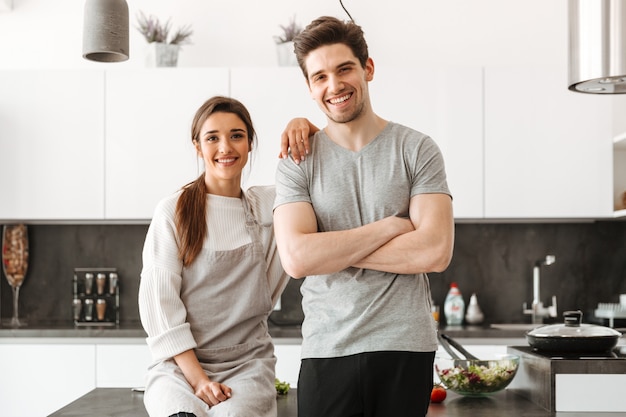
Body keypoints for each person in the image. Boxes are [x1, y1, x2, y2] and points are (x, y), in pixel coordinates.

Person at [273, 16, 455, 417]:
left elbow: (435, 251)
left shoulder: (417, 150)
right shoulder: (296, 160)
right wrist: (391, 227)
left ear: (367, 68)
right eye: (319, 76)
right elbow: (298, 259)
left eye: (344, 69)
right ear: (309, 87)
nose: (333, 85)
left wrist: (329, 247)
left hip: (405, 345)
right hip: (327, 349)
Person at [139, 96, 295, 417]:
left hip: (248, 365)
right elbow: (161, 308)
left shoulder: (270, 207)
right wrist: (198, 381)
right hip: (179, 367)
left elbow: (320, 171)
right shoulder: (173, 212)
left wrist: (303, 127)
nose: (225, 147)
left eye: (236, 135)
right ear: (198, 146)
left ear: (250, 143)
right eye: (213, 138)